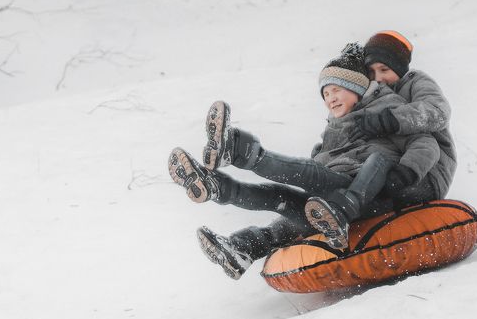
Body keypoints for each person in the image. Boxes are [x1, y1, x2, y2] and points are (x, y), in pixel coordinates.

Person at [168, 44, 440, 280]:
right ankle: (218, 191)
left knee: (305, 173)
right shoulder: (336, 124)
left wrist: (405, 174)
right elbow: (326, 156)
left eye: (336, 90)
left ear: (358, 88)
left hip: (357, 186)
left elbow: (425, 143)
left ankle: (238, 150)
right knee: (281, 198)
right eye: (325, 94)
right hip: (327, 203)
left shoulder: (385, 109)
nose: (330, 98)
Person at [346, 30, 457, 208]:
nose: (378, 78)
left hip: (426, 172)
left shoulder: (416, 82)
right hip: (385, 166)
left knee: (373, 192)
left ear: (399, 68)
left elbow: (438, 112)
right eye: (371, 72)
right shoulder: (371, 93)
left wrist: (390, 120)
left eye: (384, 70)